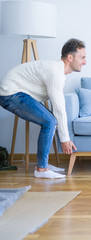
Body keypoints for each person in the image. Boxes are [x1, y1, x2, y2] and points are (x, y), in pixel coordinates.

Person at [0, 38, 86, 178]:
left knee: (52, 121)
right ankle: (41, 169)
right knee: (50, 121)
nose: (85, 62)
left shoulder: (57, 70)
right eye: (82, 57)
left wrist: (64, 136)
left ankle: (42, 163)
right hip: (10, 93)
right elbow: (59, 108)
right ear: (70, 57)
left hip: (17, 92)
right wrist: (65, 139)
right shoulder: (55, 73)